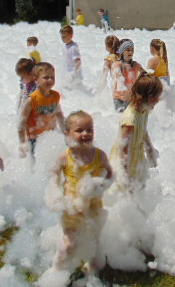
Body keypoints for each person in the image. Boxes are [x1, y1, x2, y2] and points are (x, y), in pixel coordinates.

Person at [47, 111, 112, 274]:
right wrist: (54, 191)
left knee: (93, 238)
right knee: (69, 243)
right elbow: (53, 173)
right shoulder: (65, 157)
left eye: (89, 130)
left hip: (94, 206)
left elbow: (109, 172)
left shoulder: (99, 155)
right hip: (73, 207)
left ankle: (93, 269)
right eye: (79, 130)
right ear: (67, 134)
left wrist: (103, 184)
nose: (85, 134)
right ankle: (56, 272)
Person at [109, 73, 162, 191]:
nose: (159, 100)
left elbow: (143, 132)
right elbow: (123, 150)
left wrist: (150, 151)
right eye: (157, 96)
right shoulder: (130, 120)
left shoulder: (144, 111)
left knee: (140, 188)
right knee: (124, 191)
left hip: (137, 159)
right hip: (125, 163)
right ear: (148, 97)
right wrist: (125, 177)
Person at [18, 62, 65, 157]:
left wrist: (65, 133)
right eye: (46, 77)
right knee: (37, 162)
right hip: (35, 139)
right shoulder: (32, 99)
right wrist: (22, 143)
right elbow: (22, 123)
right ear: (36, 79)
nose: (50, 80)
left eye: (52, 77)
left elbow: (59, 115)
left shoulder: (55, 96)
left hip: (51, 136)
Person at [111, 39, 144, 112]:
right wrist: (120, 79)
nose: (130, 52)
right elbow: (118, 75)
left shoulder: (136, 65)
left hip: (131, 98)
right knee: (120, 116)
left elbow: (144, 73)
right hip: (119, 98)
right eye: (128, 50)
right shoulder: (117, 65)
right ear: (122, 51)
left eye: (132, 50)